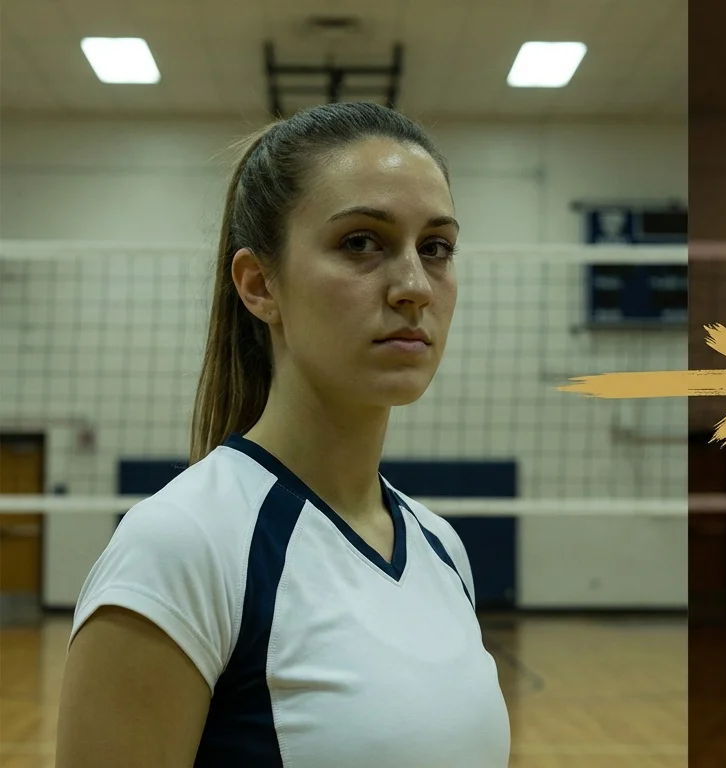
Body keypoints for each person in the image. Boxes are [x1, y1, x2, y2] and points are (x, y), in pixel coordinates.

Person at [56, 101, 511, 767]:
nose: (415, 285)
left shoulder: (442, 549)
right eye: (362, 242)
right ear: (259, 284)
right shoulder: (183, 546)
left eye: (435, 248)